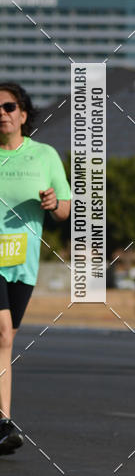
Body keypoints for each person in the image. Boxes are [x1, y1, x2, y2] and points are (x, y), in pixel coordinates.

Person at [0, 82, 71, 456]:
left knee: (5, 337)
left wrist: (52, 201)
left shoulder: (44, 156)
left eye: (9, 106)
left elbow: (65, 210)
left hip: (21, 261)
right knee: (3, 336)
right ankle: (3, 422)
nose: (2, 113)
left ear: (23, 115)